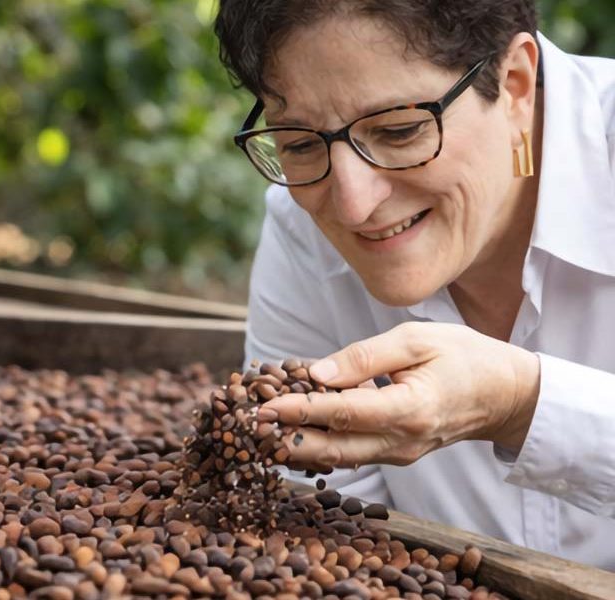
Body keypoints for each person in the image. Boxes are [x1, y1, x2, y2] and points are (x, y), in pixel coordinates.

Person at [214, 0, 615, 571]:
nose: (354, 205)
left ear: (517, 85)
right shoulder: (300, 227)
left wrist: (518, 402)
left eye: (399, 130)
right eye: (300, 144)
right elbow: (333, 537)